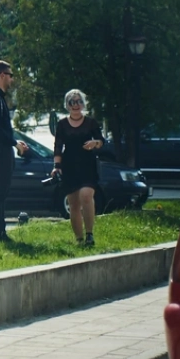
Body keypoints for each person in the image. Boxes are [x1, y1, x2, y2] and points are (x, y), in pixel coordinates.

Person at [0, 60, 30, 244]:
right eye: (10, 75)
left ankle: (0, 232)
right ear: (2, 75)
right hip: (0, 150)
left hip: (3, 148)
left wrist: (14, 141)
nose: (12, 79)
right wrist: (14, 143)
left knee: (1, 192)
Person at [53, 89, 105, 246]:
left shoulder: (91, 122)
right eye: (72, 102)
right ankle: (79, 239)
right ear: (67, 105)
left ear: (83, 104)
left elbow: (101, 141)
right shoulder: (62, 124)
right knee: (74, 204)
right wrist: (57, 166)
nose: (75, 105)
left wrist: (95, 143)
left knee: (86, 196)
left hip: (87, 165)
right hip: (69, 166)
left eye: (79, 101)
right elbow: (58, 146)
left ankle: (89, 235)